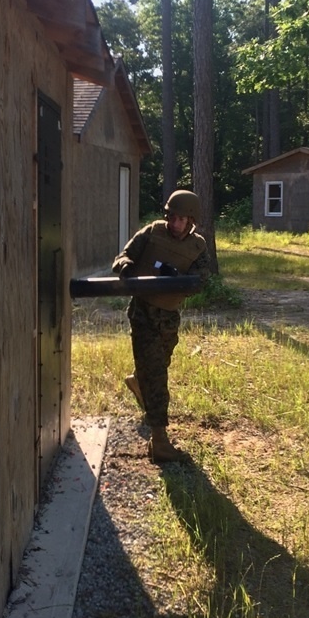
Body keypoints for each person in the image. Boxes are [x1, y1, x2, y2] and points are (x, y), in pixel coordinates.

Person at [112, 189, 211, 463]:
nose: (175, 224)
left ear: (192, 221)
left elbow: (201, 281)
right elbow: (123, 256)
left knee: (158, 364)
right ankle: (160, 441)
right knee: (156, 375)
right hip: (143, 312)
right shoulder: (152, 232)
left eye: (181, 219)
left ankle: (137, 381)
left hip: (168, 317)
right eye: (172, 217)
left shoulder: (198, 247)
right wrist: (127, 267)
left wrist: (180, 278)